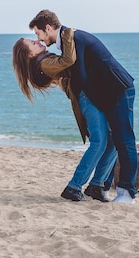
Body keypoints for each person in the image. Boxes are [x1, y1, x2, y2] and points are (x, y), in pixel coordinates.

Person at [29, 10, 138, 204]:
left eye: (38, 34)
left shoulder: (74, 38)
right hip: (108, 94)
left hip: (119, 89)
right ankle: (101, 186)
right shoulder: (68, 42)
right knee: (113, 140)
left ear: (47, 28)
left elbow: (81, 76)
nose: (38, 38)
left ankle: (127, 193)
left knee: (125, 140)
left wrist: (69, 88)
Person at [12, 28, 117, 202]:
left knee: (113, 140)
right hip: (86, 99)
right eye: (33, 43)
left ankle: (96, 185)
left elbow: (71, 70)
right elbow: (69, 60)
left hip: (91, 95)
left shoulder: (46, 60)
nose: (37, 41)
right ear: (29, 55)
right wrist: (67, 33)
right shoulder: (45, 63)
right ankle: (74, 187)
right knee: (100, 141)